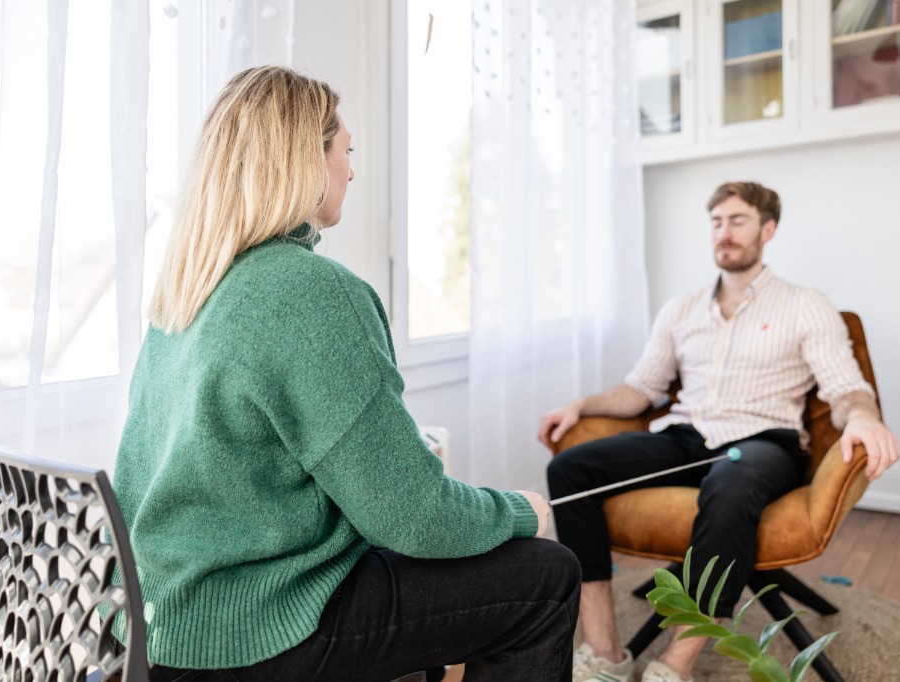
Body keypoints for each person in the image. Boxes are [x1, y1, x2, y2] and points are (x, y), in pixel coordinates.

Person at [112, 66, 580, 682]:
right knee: (545, 577)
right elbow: (414, 518)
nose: (352, 170)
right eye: (346, 150)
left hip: (158, 629)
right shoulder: (313, 293)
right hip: (257, 634)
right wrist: (521, 510)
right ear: (306, 158)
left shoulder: (185, 292)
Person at [539, 181, 900, 682]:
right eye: (716, 222)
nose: (724, 233)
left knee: (728, 488)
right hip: (686, 436)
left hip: (762, 442)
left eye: (738, 221)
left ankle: (676, 663)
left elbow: (846, 388)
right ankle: (604, 650)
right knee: (570, 468)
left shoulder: (805, 304)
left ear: (767, 230)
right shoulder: (680, 308)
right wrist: (581, 404)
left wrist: (863, 415)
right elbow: (640, 390)